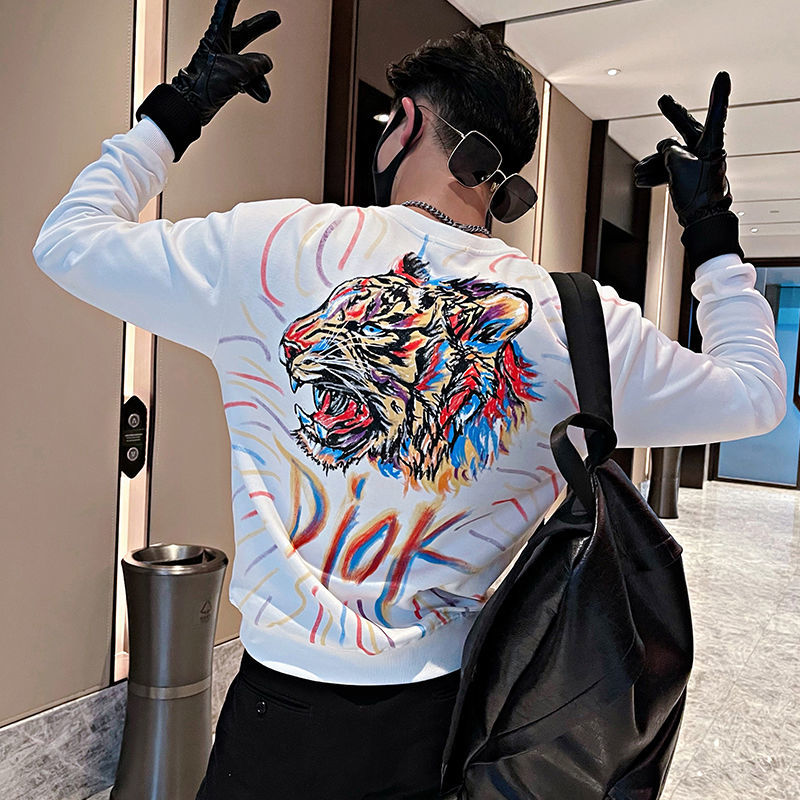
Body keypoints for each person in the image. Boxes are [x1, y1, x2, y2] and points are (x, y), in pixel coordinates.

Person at [31, 1, 786, 798]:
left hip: (278, 714)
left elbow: (67, 241)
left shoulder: (271, 247)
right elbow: (758, 394)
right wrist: (711, 233)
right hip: (445, 725)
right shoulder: (577, 319)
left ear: (407, 122)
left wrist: (175, 114)